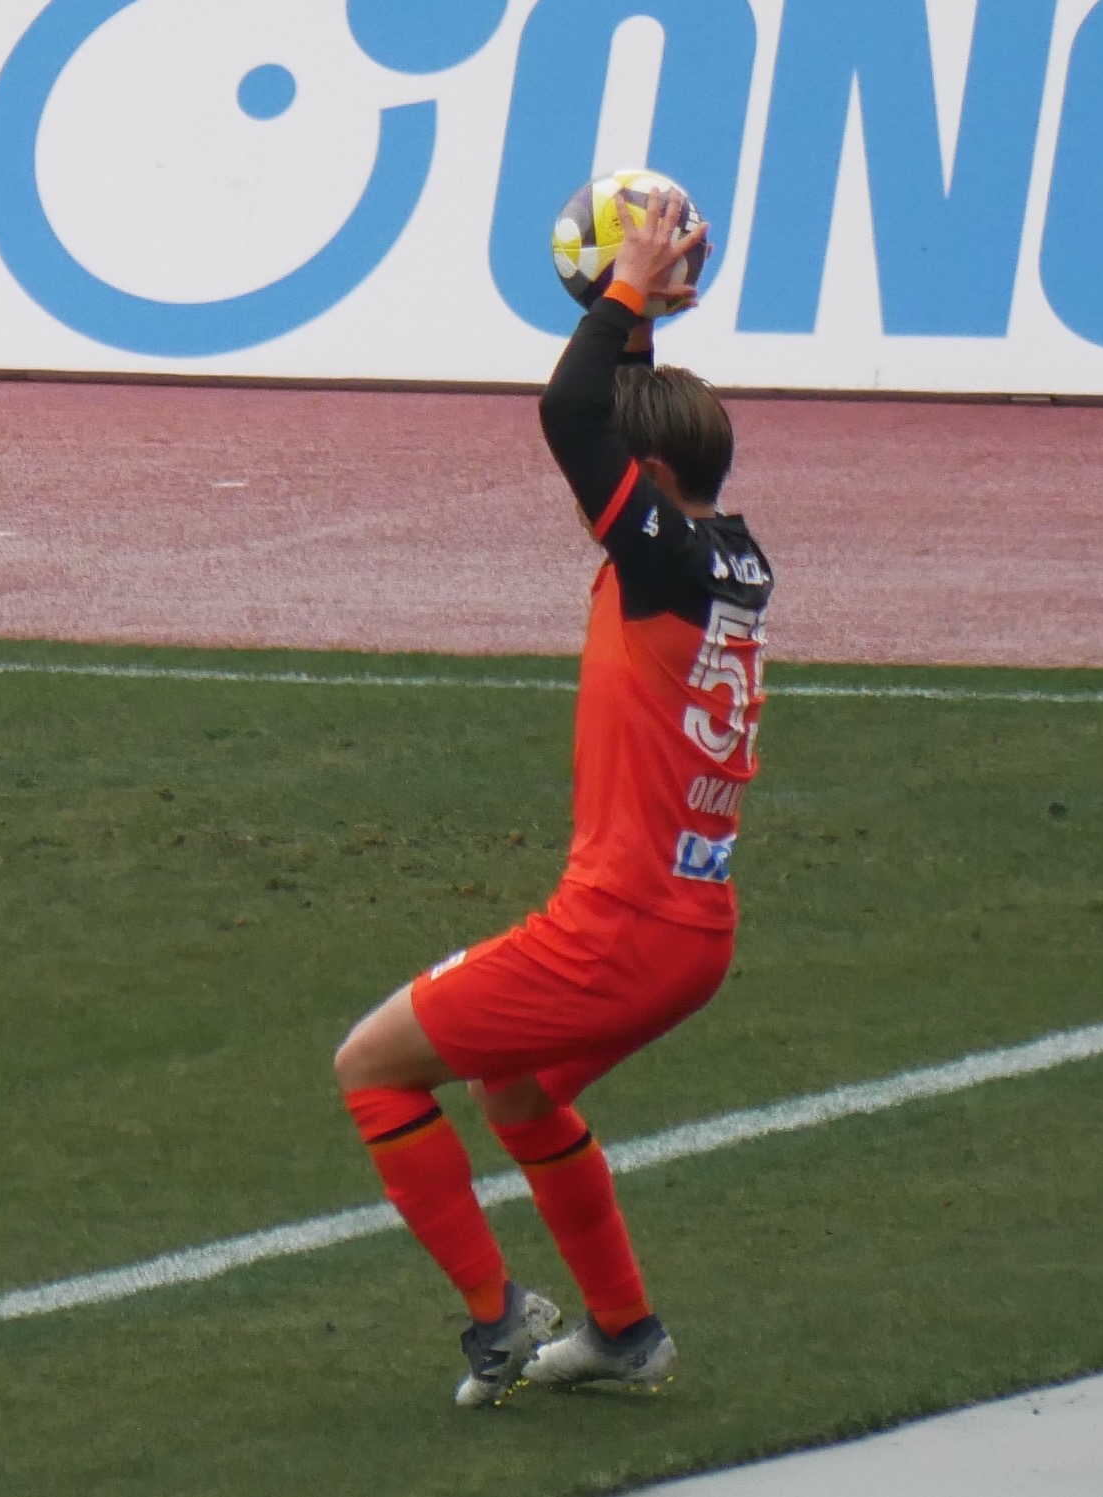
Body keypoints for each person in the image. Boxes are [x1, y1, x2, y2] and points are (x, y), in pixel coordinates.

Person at [332, 190, 774, 1407]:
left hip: (617, 930)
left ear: (650, 478)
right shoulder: (728, 551)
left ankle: (495, 1318)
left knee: (373, 1067)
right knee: (518, 1097)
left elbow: (570, 412)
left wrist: (624, 290)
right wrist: (641, 324)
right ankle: (625, 1335)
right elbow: (622, 419)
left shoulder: (657, 557)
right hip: (691, 931)